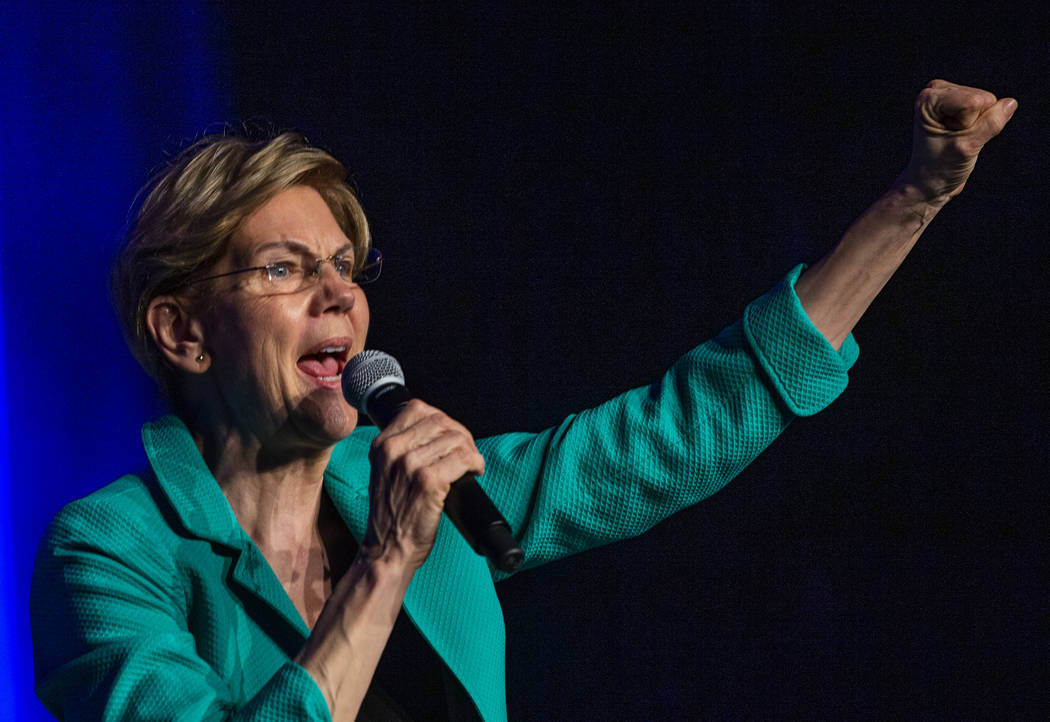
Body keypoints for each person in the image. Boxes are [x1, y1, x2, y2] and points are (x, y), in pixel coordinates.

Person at [31, 80, 1015, 721]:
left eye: (346, 266)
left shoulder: (432, 498)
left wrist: (919, 196)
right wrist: (386, 560)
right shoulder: (112, 548)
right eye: (286, 269)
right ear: (183, 331)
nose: (339, 294)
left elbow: (682, 426)